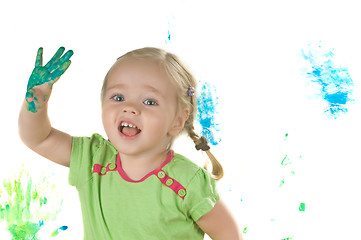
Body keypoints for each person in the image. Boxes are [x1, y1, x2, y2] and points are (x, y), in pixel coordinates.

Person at [18, 46, 243, 240]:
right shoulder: (92, 159)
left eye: (149, 101)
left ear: (177, 120)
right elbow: (39, 138)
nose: (130, 107)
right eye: (118, 97)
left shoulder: (188, 182)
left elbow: (230, 235)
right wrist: (37, 99)